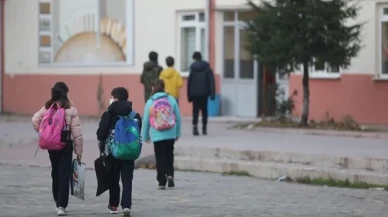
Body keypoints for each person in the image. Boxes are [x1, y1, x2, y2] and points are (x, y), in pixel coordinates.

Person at [32, 82, 83, 216]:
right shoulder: (70, 109)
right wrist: (79, 152)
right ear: (66, 93)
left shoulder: (48, 107)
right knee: (64, 174)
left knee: (55, 171)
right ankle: (61, 205)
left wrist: (44, 133)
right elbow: (77, 133)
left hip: (52, 146)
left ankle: (57, 201)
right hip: (65, 145)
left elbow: (35, 119)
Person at [96, 87, 142, 216]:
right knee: (127, 180)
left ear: (115, 98)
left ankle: (113, 205)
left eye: (111, 97)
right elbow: (138, 133)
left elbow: (101, 133)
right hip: (130, 151)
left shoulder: (109, 114)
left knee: (113, 179)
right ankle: (126, 206)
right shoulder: (135, 115)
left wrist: (101, 147)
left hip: (113, 152)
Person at [142, 79, 181, 190]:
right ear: (164, 87)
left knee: (160, 158)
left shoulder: (150, 102)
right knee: (169, 155)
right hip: (170, 133)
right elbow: (178, 118)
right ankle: (170, 175)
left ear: (153, 88)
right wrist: (177, 132)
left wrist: (145, 136)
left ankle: (161, 182)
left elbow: (146, 120)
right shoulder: (171, 99)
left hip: (157, 134)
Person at [187, 51, 215, 136]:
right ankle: (204, 128)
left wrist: (189, 95)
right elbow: (211, 81)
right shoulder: (207, 68)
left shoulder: (192, 69)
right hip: (204, 93)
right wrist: (212, 93)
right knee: (204, 110)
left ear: (194, 58)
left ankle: (195, 127)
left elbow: (189, 83)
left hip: (195, 93)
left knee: (195, 110)